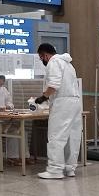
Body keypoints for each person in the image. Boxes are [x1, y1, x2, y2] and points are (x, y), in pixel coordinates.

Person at [34, 43, 82, 179]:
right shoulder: (68, 64)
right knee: (72, 136)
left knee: (56, 136)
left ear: (45, 55)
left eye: (41, 57)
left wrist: (43, 97)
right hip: (75, 102)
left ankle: (55, 170)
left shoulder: (53, 62)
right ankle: (70, 168)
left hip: (62, 102)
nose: (42, 60)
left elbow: (54, 85)